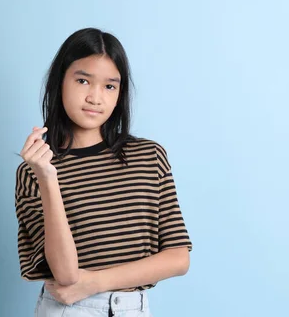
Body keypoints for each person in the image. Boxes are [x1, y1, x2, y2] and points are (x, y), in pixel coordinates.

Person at [15, 28, 193, 317]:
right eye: (83, 81)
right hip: (70, 310)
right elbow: (66, 275)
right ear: (60, 81)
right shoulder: (34, 171)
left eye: (110, 86)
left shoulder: (149, 156)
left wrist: (96, 282)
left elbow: (178, 258)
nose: (95, 98)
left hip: (134, 309)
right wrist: (48, 178)